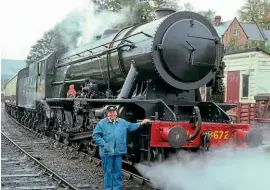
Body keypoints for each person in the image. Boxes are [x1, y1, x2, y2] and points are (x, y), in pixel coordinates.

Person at [93, 105, 151, 190]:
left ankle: (117, 188)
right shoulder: (102, 123)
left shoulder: (122, 122)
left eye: (114, 112)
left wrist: (141, 123)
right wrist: (104, 144)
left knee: (117, 173)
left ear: (117, 113)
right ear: (107, 114)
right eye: (110, 112)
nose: (112, 114)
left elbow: (131, 126)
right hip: (107, 152)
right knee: (108, 173)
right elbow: (96, 135)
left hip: (118, 152)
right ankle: (108, 188)